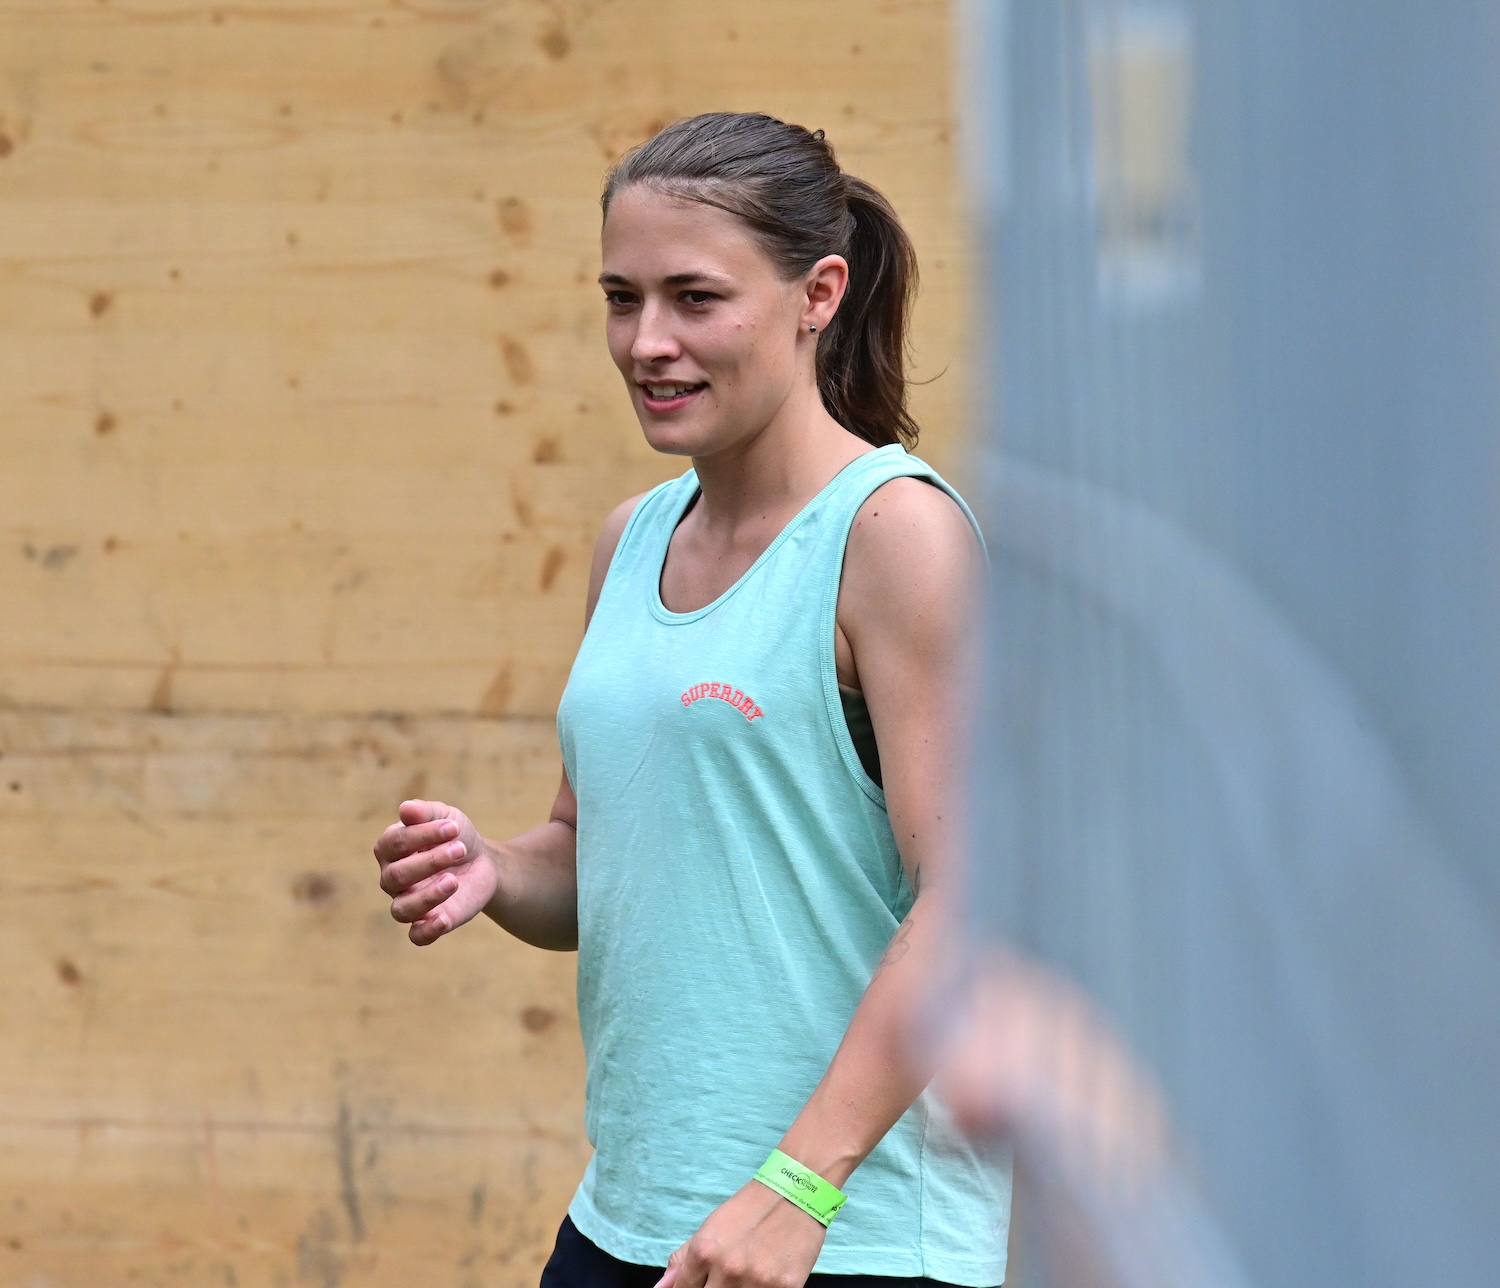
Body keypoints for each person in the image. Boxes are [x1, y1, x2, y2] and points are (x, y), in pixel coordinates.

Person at [371, 112, 1009, 1288]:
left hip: (843, 1237)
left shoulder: (895, 534)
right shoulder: (631, 538)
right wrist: (496, 868)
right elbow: (589, 852)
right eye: (622, 298)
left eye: (695, 298)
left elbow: (968, 902)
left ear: (819, 294)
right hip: (631, 1218)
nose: (646, 342)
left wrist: (799, 1187)